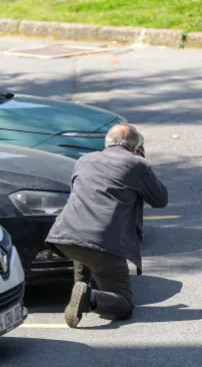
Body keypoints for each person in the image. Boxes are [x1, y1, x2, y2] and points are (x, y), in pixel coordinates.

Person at [46, 124, 169, 328]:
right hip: (104, 242)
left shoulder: (84, 160)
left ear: (107, 143)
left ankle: (81, 294)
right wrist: (144, 165)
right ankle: (90, 297)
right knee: (124, 304)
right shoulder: (137, 164)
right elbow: (160, 199)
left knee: (84, 250)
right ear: (134, 147)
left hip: (65, 235)